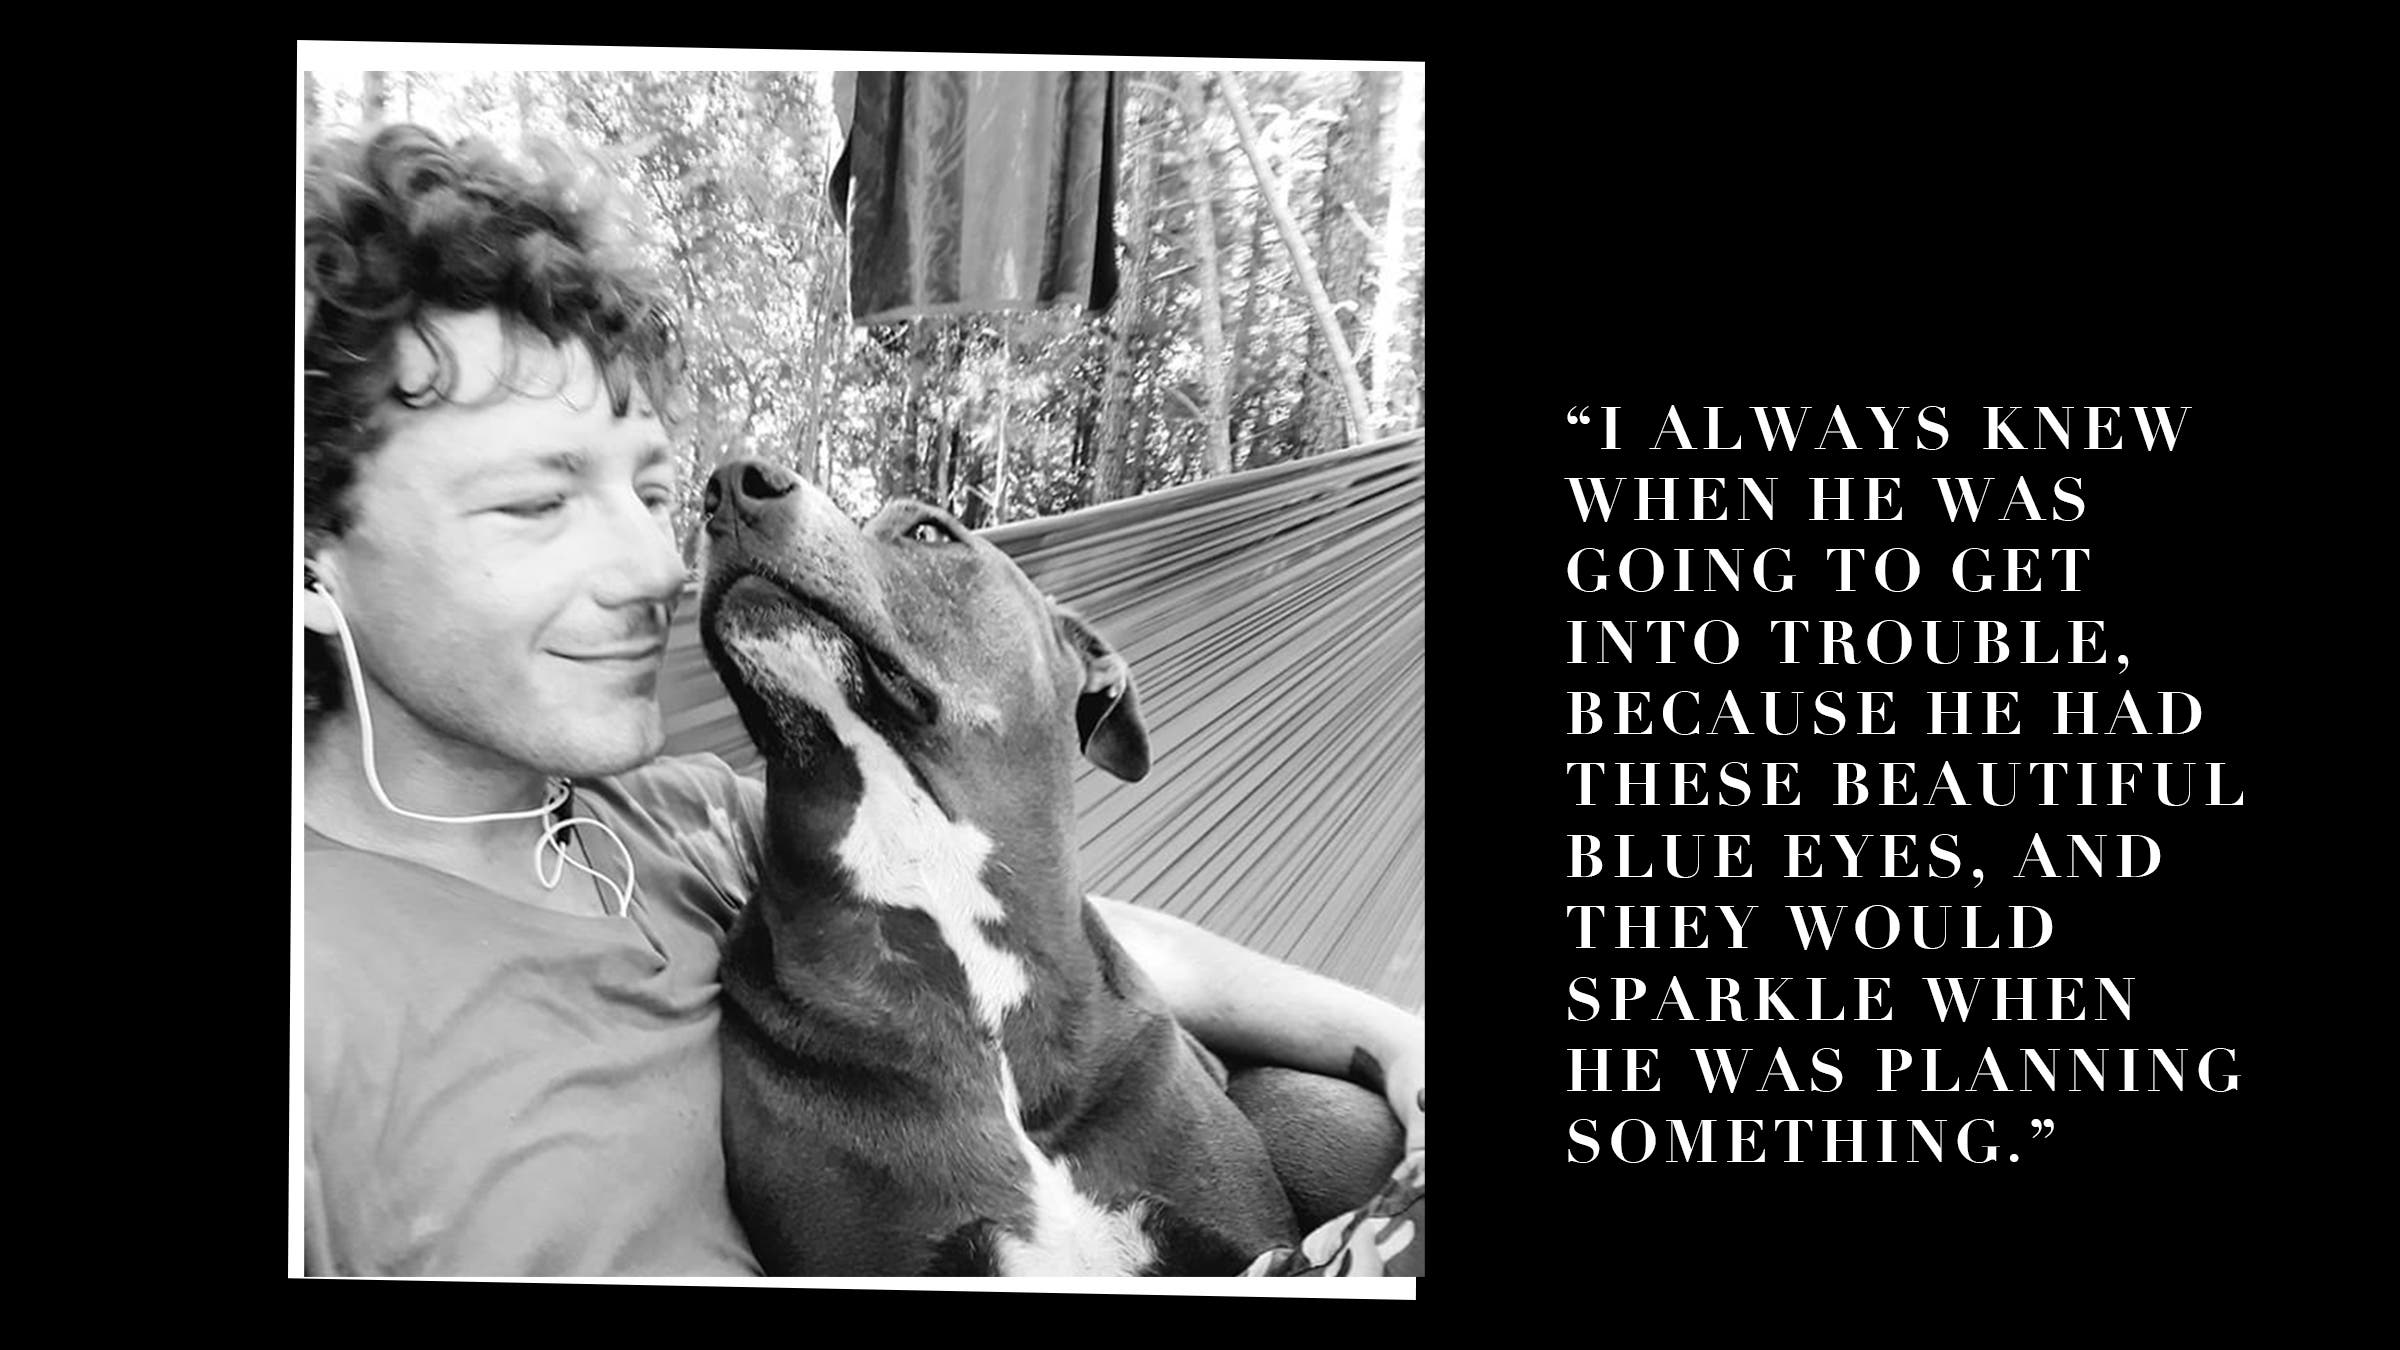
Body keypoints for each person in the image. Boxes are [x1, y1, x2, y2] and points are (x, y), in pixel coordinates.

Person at [300, 122, 1424, 1277]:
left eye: (651, 495)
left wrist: (1394, 1036)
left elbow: (1042, 927)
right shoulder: (317, 1003)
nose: (652, 566)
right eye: (536, 504)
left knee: (1337, 1132)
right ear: (313, 559)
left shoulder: (686, 824)